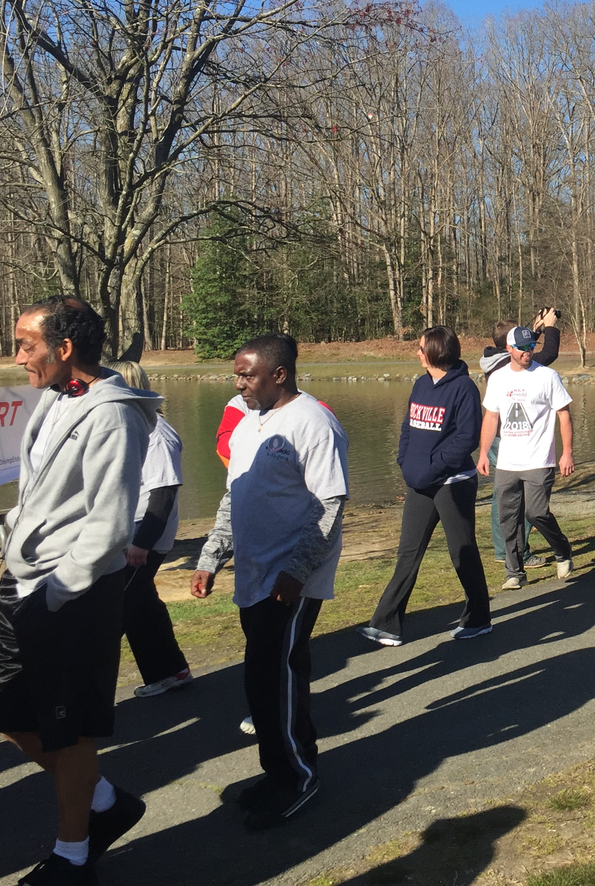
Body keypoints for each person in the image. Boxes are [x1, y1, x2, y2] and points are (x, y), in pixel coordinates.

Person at [0, 296, 156, 882]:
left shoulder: (113, 414)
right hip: (24, 583)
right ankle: (103, 801)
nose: (18, 356)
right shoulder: (52, 397)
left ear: (64, 348)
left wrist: (55, 593)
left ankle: (73, 855)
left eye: (26, 344)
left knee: (67, 730)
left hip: (70, 595)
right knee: (2, 712)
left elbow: (109, 527)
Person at [193, 333, 349, 829]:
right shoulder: (246, 425)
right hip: (255, 573)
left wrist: (296, 570)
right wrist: (211, 556)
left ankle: (299, 778)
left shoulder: (314, 424)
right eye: (237, 373)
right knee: (267, 681)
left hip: (291, 578)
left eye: (247, 374)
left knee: (273, 676)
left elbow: (329, 505)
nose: (238, 383)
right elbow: (233, 496)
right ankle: (278, 769)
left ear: (279, 374)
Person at [359, 326, 492, 648]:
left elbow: (466, 439)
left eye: (421, 348)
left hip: (452, 483)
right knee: (408, 553)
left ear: (435, 352)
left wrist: (432, 468)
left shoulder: (463, 388)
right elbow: (408, 427)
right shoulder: (420, 384)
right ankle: (387, 624)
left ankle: (479, 618)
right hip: (420, 483)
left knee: (462, 552)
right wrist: (405, 461)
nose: (416, 353)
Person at [109, 361, 191, 699]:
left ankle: (82, 695)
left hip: (143, 539)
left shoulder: (157, 433)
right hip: (127, 536)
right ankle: (170, 671)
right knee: (142, 606)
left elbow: (164, 493)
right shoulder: (130, 426)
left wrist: (141, 544)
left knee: (112, 612)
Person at [479, 325, 576, 590]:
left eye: (531, 346)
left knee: (536, 513)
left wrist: (566, 453)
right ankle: (515, 572)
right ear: (509, 349)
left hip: (539, 460)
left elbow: (564, 415)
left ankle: (562, 549)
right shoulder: (498, 379)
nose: (527, 352)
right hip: (508, 462)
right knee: (508, 518)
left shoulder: (547, 376)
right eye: (521, 348)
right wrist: (484, 453)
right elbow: (491, 417)